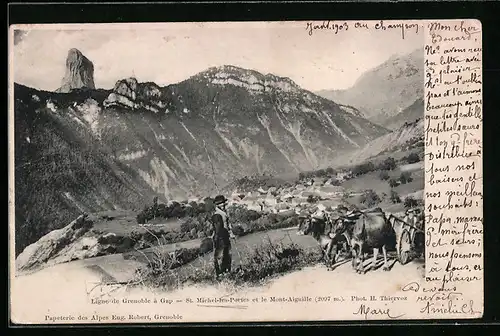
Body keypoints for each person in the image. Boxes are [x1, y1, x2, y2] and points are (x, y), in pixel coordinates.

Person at [210, 195, 234, 278]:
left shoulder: (223, 213)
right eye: (221, 203)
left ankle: (227, 275)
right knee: (221, 258)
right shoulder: (217, 216)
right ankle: (221, 276)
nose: (223, 204)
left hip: (225, 239)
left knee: (228, 258)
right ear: (217, 205)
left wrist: (230, 232)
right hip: (221, 241)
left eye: (224, 202)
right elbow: (217, 231)